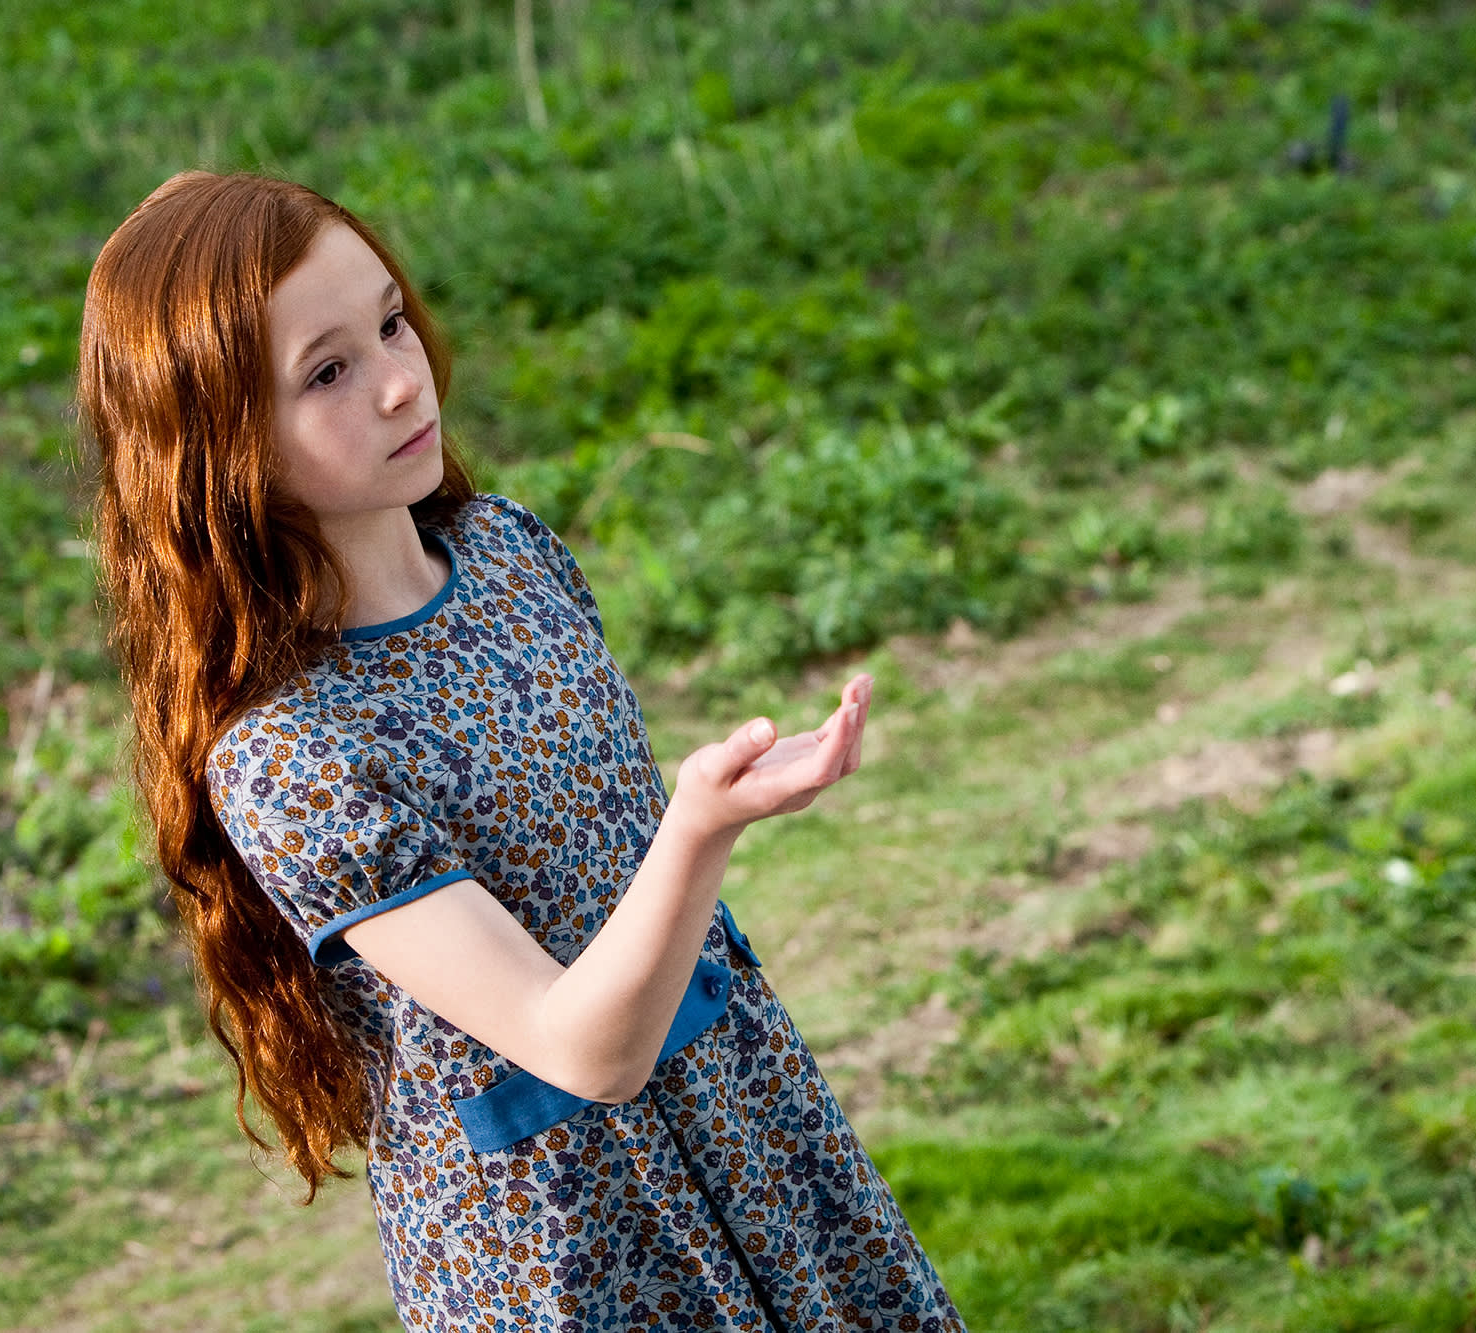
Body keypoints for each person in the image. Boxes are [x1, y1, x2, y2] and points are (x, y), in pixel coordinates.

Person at [78, 169, 966, 1332]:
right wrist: (701, 826)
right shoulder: (294, 758)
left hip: (742, 1119)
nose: (401, 385)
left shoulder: (505, 553)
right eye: (327, 372)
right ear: (216, 446)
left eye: (390, 321)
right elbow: (576, 1047)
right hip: (575, 1246)